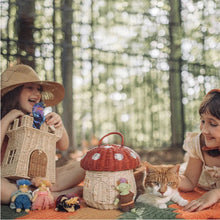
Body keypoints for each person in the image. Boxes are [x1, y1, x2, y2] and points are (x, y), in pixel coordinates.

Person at [1, 64, 85, 204]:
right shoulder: (3, 118)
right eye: (29, 88)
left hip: (37, 178)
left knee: (84, 164)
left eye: (39, 89)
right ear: (14, 92)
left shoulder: (36, 119)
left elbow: (63, 146)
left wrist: (59, 125)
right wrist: (9, 117)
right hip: (7, 180)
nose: (37, 93)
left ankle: (42, 192)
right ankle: (52, 195)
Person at [179, 89, 220, 212]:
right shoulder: (198, 143)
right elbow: (189, 181)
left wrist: (216, 193)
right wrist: (169, 176)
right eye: (203, 121)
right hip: (200, 178)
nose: (204, 130)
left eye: (212, 124)